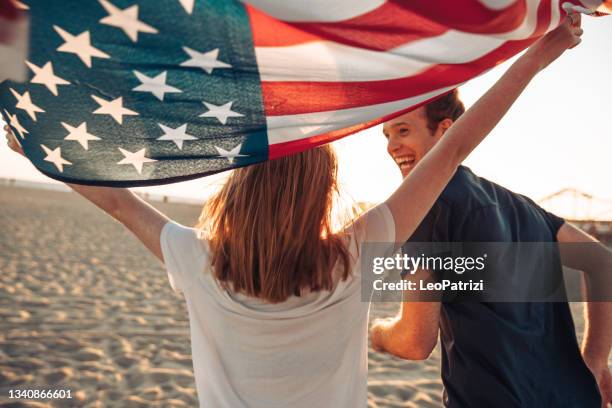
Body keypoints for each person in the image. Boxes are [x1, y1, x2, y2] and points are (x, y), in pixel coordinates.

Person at [5, 17, 585, 408]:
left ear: (238, 187)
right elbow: (456, 148)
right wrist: (540, 54)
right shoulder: (354, 255)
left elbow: (114, 199)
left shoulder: (196, 258)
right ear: (324, 188)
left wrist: (35, 136)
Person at [370, 16, 611, 408]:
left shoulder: (427, 210)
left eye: (403, 130)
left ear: (445, 130)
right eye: (387, 135)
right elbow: (602, 262)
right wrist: (596, 362)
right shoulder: (518, 205)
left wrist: (376, 334)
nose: (392, 146)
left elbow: (414, 343)